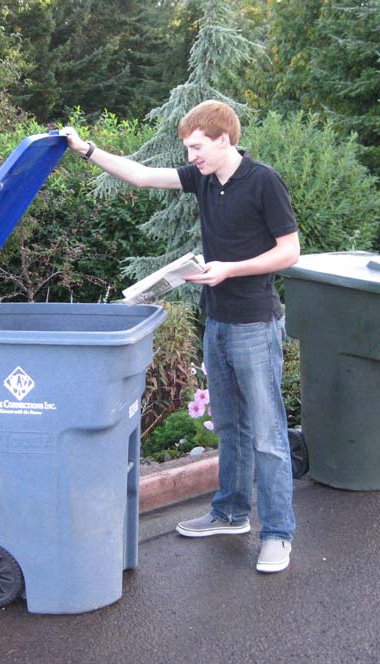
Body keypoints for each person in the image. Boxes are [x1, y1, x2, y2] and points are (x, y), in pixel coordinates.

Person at [61, 100, 300, 573]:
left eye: (197, 147)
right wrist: (86, 149)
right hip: (218, 321)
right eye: (188, 149)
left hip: (255, 323)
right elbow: (142, 176)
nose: (191, 157)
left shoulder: (263, 181)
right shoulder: (204, 180)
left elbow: (289, 251)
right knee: (231, 427)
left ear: (224, 139)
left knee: (268, 436)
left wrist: (232, 268)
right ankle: (231, 514)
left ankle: (278, 533)